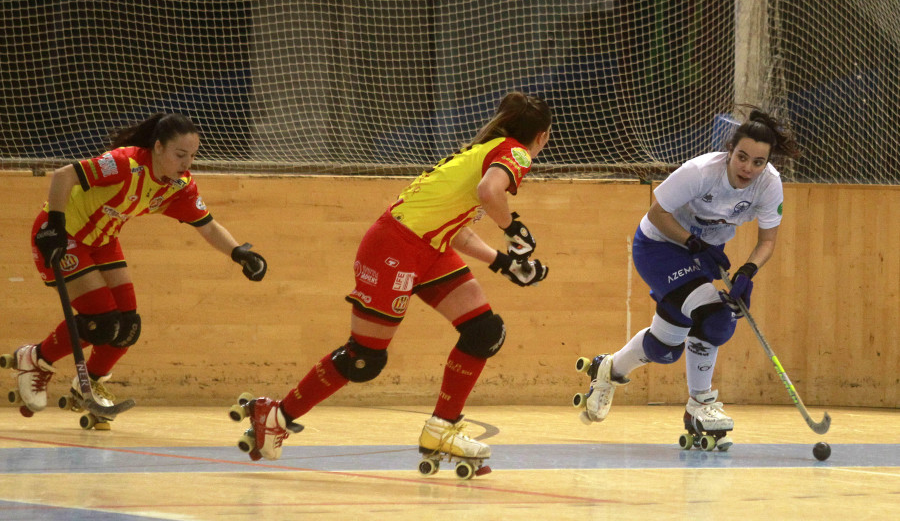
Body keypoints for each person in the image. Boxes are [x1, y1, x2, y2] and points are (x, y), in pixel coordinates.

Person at [238, 91, 551, 463]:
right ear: (542, 137)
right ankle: (275, 416)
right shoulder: (514, 153)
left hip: (426, 247)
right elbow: (490, 193)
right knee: (364, 358)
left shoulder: (479, 154)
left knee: (484, 331)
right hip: (396, 248)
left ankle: (442, 429)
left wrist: (502, 261)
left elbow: (455, 229)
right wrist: (514, 228)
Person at [8, 112, 267, 425]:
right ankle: (36, 359)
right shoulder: (124, 163)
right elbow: (64, 175)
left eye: (193, 156)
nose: (187, 163)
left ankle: (88, 383)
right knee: (102, 321)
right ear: (158, 148)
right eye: (180, 155)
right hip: (64, 235)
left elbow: (208, 227)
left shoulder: (177, 186)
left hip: (102, 239)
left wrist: (239, 253)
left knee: (128, 326)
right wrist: (56, 226)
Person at [578, 109, 800, 445]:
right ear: (730, 151)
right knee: (717, 317)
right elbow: (657, 213)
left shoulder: (769, 184)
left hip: (704, 254)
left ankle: (609, 369)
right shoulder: (701, 172)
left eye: (758, 162)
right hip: (659, 245)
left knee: (665, 348)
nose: (748, 168)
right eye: (742, 157)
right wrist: (693, 242)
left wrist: (747, 273)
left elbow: (767, 241)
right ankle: (700, 404)